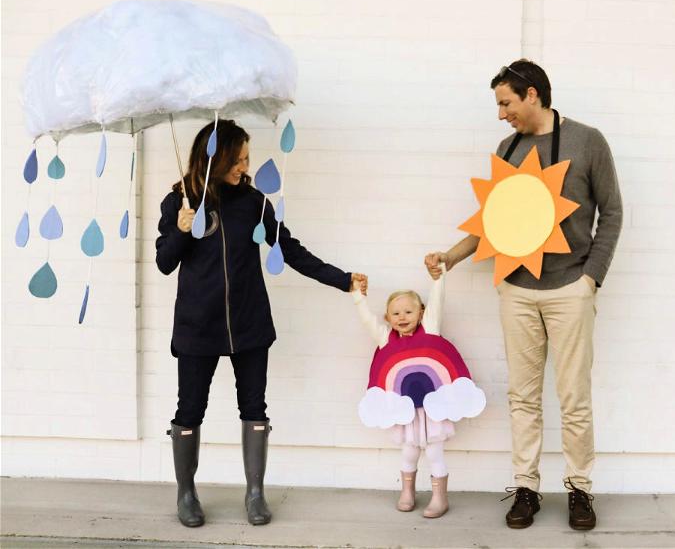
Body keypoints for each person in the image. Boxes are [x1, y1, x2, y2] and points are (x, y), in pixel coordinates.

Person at [425, 59, 622, 531]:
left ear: (532, 94)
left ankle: (580, 489)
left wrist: (590, 277)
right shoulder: (506, 149)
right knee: (523, 396)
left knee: (574, 396)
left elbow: (611, 213)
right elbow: (492, 222)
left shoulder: (587, 141)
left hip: (569, 290)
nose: (501, 114)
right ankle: (526, 487)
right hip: (516, 290)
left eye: (505, 102)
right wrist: (450, 257)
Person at [155, 118, 367, 527]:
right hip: (198, 326)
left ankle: (255, 493)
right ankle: (186, 493)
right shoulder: (179, 201)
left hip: (250, 324)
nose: (244, 167)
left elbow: (289, 250)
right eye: (237, 160)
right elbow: (165, 262)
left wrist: (343, 280)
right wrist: (181, 231)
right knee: (189, 409)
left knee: (254, 406)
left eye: (246, 159)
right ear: (214, 159)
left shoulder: (254, 202)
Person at [352, 265, 484, 518]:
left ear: (421, 312)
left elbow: (437, 302)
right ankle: (407, 492)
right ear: (388, 318)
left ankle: (439, 498)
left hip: (433, 408)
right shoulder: (386, 338)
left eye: (409, 311)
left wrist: (438, 279)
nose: (402, 317)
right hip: (406, 410)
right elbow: (367, 319)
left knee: (435, 452)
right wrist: (358, 296)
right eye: (396, 313)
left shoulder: (430, 328)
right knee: (409, 451)